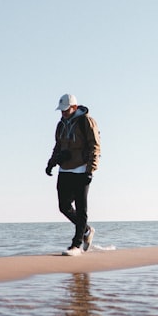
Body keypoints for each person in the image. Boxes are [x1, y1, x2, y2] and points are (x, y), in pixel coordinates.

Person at [46, 94, 101, 256]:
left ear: (74, 107)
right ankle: (86, 230)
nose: (62, 113)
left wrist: (90, 170)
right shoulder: (60, 124)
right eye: (61, 110)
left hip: (81, 170)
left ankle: (76, 245)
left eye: (66, 110)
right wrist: (51, 162)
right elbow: (58, 145)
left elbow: (95, 146)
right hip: (64, 170)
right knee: (64, 206)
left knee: (81, 208)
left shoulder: (86, 121)